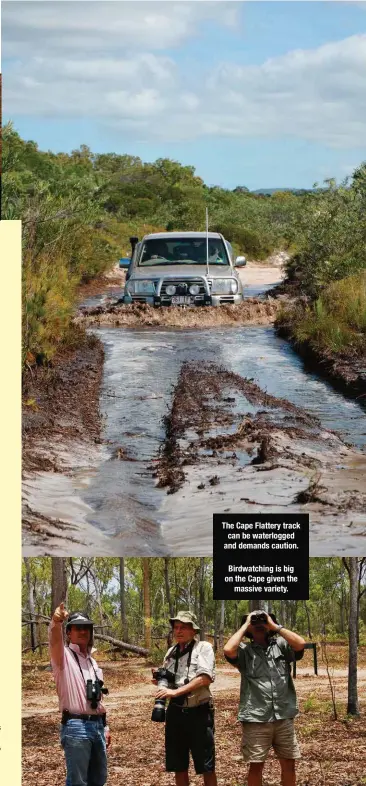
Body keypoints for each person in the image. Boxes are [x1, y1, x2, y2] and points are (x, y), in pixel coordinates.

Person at [223, 610, 306, 786]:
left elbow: (300, 644)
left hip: (283, 716)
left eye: (263, 622)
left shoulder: (282, 646)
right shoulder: (245, 652)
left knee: (289, 765)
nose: (259, 625)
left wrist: (274, 626)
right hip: (256, 718)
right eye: (255, 623)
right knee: (256, 766)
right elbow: (228, 650)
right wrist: (246, 624)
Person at [152, 610, 218, 786]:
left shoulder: (203, 648)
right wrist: (161, 680)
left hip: (199, 713)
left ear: (193, 631)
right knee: (178, 764)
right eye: (176, 627)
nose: (178, 631)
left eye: (183, 627)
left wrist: (175, 692)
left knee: (206, 765)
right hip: (175, 713)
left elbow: (205, 678)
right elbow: (172, 681)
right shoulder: (171, 652)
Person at [49, 603, 111, 786]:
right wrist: (56, 621)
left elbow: (99, 699)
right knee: (78, 782)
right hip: (76, 725)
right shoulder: (63, 657)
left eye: (86, 628)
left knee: (99, 779)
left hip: (97, 726)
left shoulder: (93, 663)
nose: (83, 632)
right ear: (69, 633)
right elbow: (54, 640)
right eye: (78, 628)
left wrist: (105, 727)